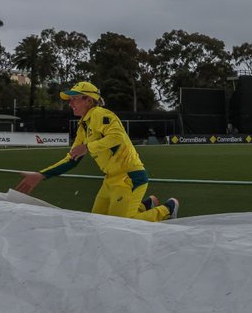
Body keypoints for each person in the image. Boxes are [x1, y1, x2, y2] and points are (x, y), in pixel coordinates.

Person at [15, 81, 180, 222]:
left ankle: (167, 209)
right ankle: (146, 205)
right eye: (70, 100)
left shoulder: (101, 114)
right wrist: (41, 175)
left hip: (129, 177)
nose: (70, 103)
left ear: (89, 100)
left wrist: (87, 147)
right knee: (97, 222)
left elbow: (117, 137)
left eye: (75, 99)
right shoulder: (83, 126)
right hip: (110, 180)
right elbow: (72, 158)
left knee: (120, 225)